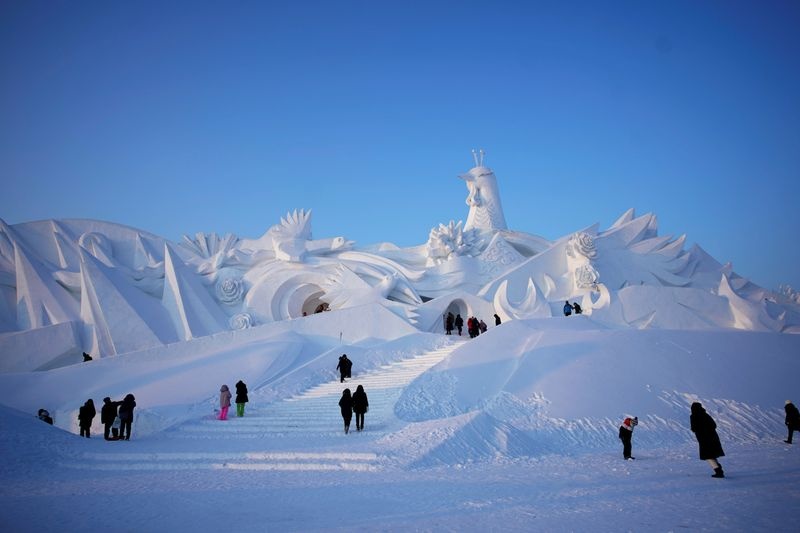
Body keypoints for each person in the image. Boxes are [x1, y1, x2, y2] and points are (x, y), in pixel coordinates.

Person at [690, 402, 725, 478]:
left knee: (708, 456)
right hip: (712, 437)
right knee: (711, 454)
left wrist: (701, 431)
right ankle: (718, 468)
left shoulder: (693, 416)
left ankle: (718, 470)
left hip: (704, 439)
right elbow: (714, 425)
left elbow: (694, 428)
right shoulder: (705, 415)